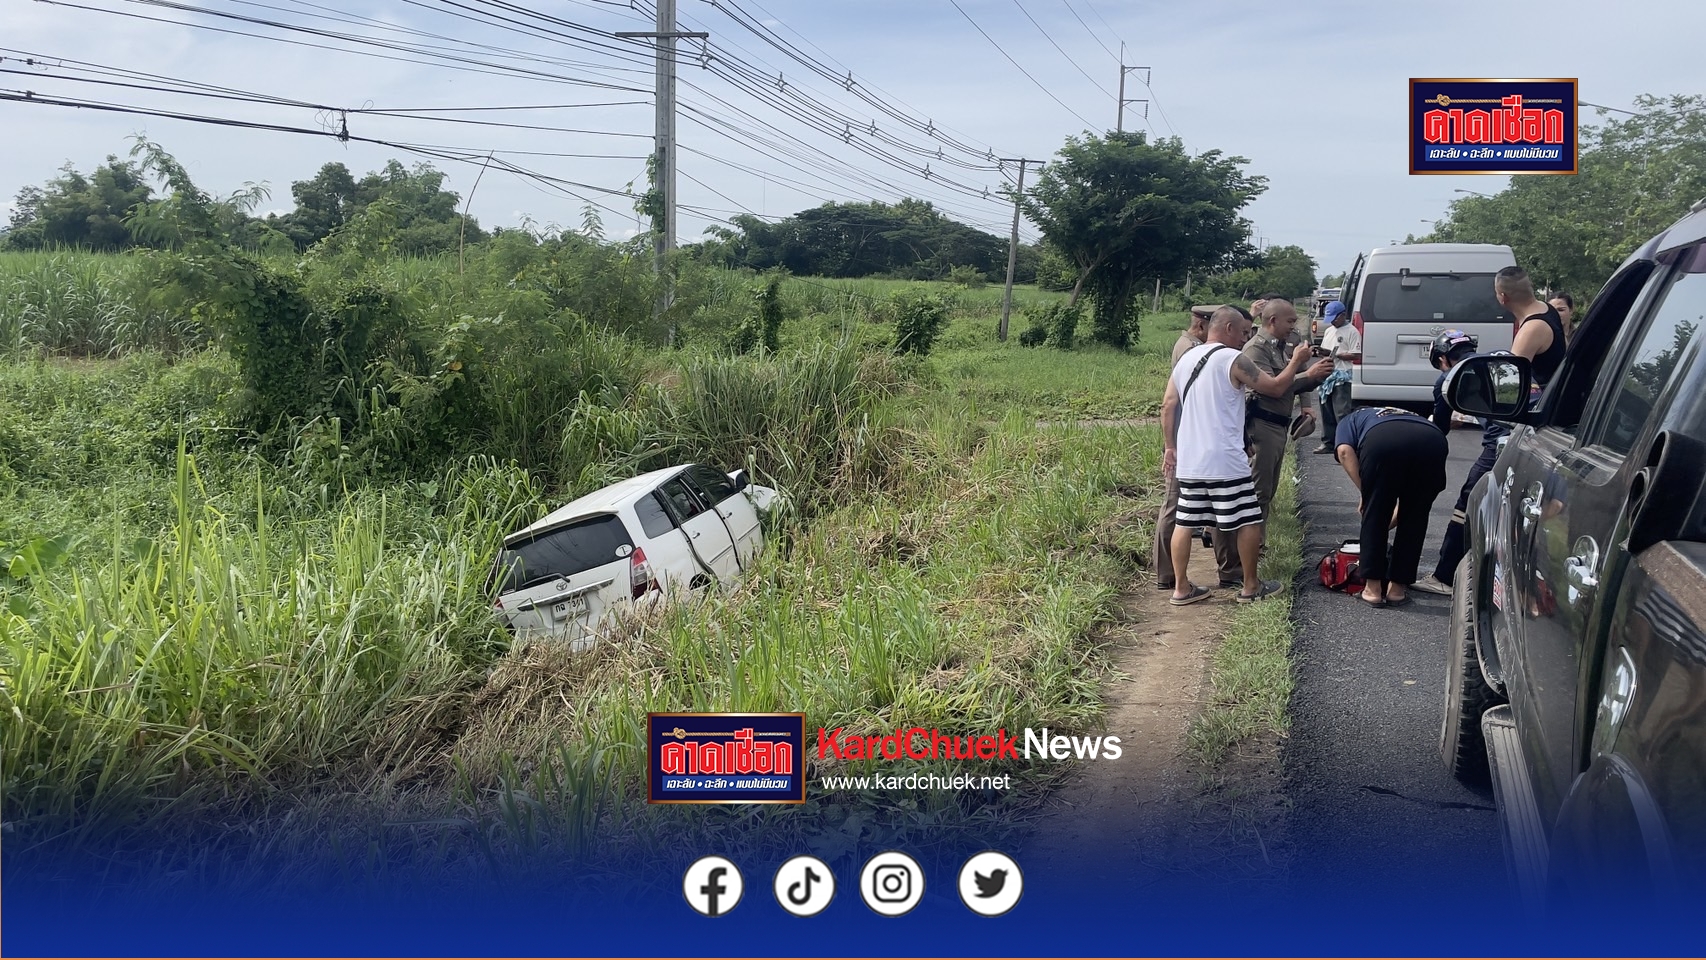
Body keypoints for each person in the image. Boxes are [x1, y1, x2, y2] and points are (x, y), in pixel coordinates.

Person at [1411, 265, 1567, 592]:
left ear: (1502, 296)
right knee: (1521, 508)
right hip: (1546, 429)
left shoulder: (1529, 331)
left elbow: (1508, 395)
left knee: (1470, 500)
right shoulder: (1549, 313)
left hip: (1513, 436)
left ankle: (1444, 578)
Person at [1161, 306, 1332, 605]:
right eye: (1242, 332)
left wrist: (1170, 448)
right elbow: (1276, 388)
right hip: (1225, 460)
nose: (1246, 338)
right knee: (1248, 519)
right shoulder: (1233, 359)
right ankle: (1251, 587)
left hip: (1190, 459)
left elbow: (1168, 405)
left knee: (1185, 523)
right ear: (1227, 329)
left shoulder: (1186, 358)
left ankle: (1181, 589)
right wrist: (1296, 361)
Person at [1155, 304, 1241, 593]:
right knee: (1188, 510)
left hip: (1186, 443)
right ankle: (1222, 573)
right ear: (1205, 325)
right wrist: (1171, 446)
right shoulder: (1193, 351)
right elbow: (1170, 404)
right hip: (1193, 443)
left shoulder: (1189, 349)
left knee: (1181, 511)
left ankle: (1170, 577)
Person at [1334, 405, 1450, 607]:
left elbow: (1344, 452)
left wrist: (1367, 494)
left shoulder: (1350, 419)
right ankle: (1397, 589)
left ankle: (1372, 590)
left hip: (1383, 441)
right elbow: (1416, 502)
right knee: (1415, 518)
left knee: (1375, 514)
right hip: (1433, 440)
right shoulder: (1405, 413)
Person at [1243, 299, 1327, 524]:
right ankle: (1253, 548)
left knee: (1268, 490)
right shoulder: (1256, 348)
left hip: (1278, 425)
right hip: (1262, 424)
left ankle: (1257, 544)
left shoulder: (1280, 346)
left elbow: (1294, 380)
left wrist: (1317, 376)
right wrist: (1306, 373)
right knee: (1258, 492)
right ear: (1273, 320)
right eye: (1290, 321)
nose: (1293, 326)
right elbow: (1273, 387)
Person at [1313, 300, 1361, 453]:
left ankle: (1344, 445)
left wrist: (1337, 355)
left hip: (1342, 376)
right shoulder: (1329, 331)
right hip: (1327, 374)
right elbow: (1327, 350)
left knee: (1341, 412)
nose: (1333, 321)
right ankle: (1328, 443)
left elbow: (1356, 354)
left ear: (1343, 315)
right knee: (1326, 411)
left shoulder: (1352, 331)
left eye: (1335, 317)